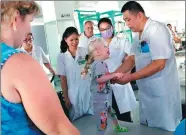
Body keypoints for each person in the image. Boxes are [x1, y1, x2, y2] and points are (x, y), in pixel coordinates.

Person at [0, 1, 80, 135]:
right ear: (16, 18)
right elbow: (60, 130)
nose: (29, 29)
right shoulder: (18, 63)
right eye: (30, 21)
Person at [113, 1, 182, 131]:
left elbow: (159, 64)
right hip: (146, 93)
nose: (127, 24)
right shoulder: (138, 35)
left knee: (165, 129)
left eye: (128, 19)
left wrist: (130, 77)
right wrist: (114, 75)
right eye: (125, 20)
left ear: (139, 15)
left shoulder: (156, 30)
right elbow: (131, 59)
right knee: (148, 130)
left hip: (162, 94)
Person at [81, 38, 128, 135]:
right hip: (99, 100)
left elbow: (104, 76)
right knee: (102, 122)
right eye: (105, 46)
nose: (108, 47)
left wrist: (111, 76)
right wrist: (114, 75)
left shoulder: (102, 64)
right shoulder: (98, 64)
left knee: (112, 113)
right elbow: (99, 79)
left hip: (105, 98)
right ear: (98, 52)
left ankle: (117, 127)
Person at [98, 17, 137, 122]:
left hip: (120, 80)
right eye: (102, 29)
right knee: (109, 118)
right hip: (104, 83)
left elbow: (133, 57)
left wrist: (127, 72)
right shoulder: (97, 44)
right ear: (99, 31)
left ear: (112, 27)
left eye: (107, 28)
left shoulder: (122, 41)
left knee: (124, 117)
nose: (105, 31)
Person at [56, 26, 93, 121]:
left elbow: (90, 67)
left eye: (76, 39)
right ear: (65, 40)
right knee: (77, 122)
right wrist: (66, 98)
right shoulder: (61, 56)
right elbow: (63, 79)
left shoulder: (84, 51)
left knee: (91, 118)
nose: (74, 42)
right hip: (73, 94)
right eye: (71, 40)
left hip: (87, 90)